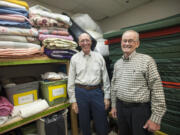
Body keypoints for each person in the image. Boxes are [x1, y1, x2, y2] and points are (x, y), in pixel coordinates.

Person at [110, 30, 166, 135]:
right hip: (121, 108)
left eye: (130, 41)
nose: (127, 43)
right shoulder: (118, 64)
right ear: (121, 43)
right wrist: (114, 105)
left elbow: (156, 88)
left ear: (137, 44)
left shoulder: (146, 61)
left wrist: (156, 118)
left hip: (139, 111)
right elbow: (114, 86)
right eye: (124, 41)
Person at [68, 33, 110, 135]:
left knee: (101, 119)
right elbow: (71, 80)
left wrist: (107, 97)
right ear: (79, 43)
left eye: (87, 40)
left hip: (96, 91)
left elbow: (105, 78)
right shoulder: (74, 58)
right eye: (82, 41)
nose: (85, 43)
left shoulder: (99, 57)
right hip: (80, 92)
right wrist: (73, 101)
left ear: (91, 42)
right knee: (84, 122)